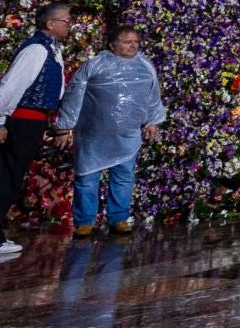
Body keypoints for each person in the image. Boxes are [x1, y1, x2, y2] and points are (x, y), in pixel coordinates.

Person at [0, 2, 73, 259]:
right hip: (21, 121)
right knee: (3, 178)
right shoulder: (37, 49)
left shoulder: (51, 49)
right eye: (66, 21)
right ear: (50, 24)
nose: (69, 25)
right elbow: (12, 85)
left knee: (11, 177)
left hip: (34, 121)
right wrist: (0, 121)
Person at [56, 24, 166, 237]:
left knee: (123, 177)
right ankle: (85, 221)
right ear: (112, 44)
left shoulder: (145, 66)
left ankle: (119, 218)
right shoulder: (94, 65)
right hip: (93, 134)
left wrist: (152, 122)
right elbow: (74, 95)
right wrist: (64, 126)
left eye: (136, 42)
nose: (133, 46)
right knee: (87, 177)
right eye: (127, 42)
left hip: (128, 134)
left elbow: (153, 96)